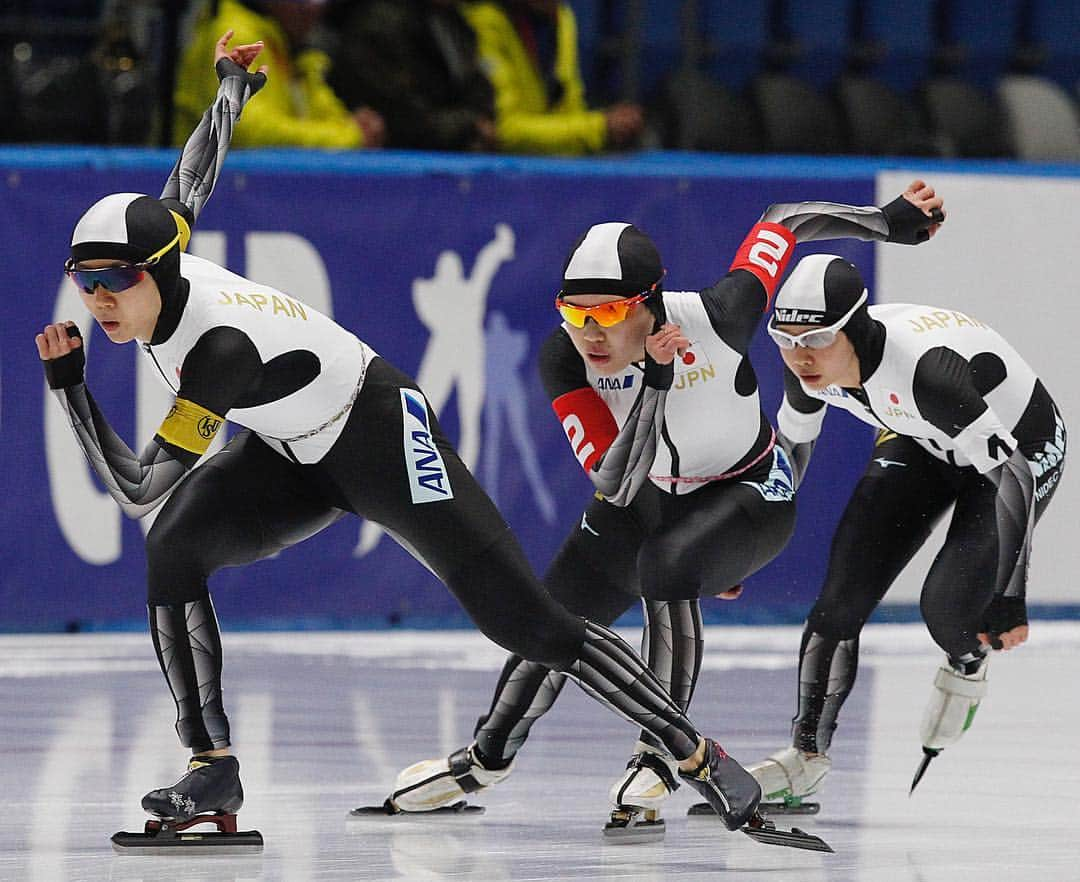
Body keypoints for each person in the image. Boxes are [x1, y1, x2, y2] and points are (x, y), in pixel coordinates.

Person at [39, 29, 821, 855]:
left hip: (376, 428)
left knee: (530, 624)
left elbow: (134, 486)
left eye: (115, 281)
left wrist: (72, 391)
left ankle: (699, 756)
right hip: (290, 450)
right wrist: (233, 86)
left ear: (159, 271)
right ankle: (212, 766)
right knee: (173, 551)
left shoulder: (216, 350)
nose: (97, 298)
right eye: (85, 279)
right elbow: (191, 180)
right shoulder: (167, 251)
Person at [381, 184, 946, 839]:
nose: (590, 333)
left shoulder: (721, 313)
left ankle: (659, 755)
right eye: (574, 311)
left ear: (649, 305)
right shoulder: (563, 358)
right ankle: (486, 759)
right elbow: (615, 484)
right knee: (549, 612)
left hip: (750, 494)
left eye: (610, 312)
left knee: (667, 564)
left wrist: (885, 223)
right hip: (647, 494)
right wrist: (652, 381)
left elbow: (782, 219)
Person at [745, 252, 1066, 807]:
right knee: (842, 589)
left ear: (855, 329)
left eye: (818, 339)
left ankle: (967, 660)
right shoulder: (806, 367)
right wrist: (746, 541)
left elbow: (1012, 473)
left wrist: (1009, 597)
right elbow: (793, 451)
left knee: (947, 609)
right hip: (920, 437)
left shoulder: (925, 373)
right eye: (786, 339)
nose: (800, 356)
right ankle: (806, 755)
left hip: (1018, 450)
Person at [173, 0, 386, 149]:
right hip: (211, 196)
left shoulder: (287, 43)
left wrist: (355, 127)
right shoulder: (234, 34)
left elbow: (322, 114)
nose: (311, 9)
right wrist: (350, 137)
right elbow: (245, 131)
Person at [461, 0, 644, 155]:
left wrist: (607, 129)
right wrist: (598, 128)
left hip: (547, 167)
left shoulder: (562, 17)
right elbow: (503, 129)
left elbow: (570, 110)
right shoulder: (484, 21)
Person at [325, 0, 497, 152]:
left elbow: (480, 87)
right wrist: (470, 125)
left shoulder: (456, 22)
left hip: (454, 153)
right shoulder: (378, 23)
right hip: (391, 162)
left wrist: (477, 121)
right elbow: (399, 119)